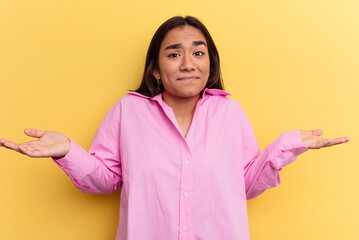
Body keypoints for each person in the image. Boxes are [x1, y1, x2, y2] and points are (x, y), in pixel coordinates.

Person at [0, 16, 350, 240]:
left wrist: (287, 146)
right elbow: (105, 180)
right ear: (155, 68)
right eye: (173, 54)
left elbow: (243, 185)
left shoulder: (229, 113)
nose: (187, 64)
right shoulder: (129, 111)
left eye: (198, 53)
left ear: (210, 62)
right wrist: (67, 150)